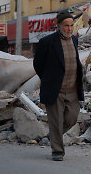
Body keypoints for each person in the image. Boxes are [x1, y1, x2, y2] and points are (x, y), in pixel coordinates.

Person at [33, 11, 84, 161]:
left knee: (72, 118)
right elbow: (38, 64)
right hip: (56, 89)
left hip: (73, 89)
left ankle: (54, 135)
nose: (69, 29)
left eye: (71, 25)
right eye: (66, 26)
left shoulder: (74, 40)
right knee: (56, 121)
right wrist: (49, 79)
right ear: (59, 26)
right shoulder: (47, 42)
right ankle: (57, 151)